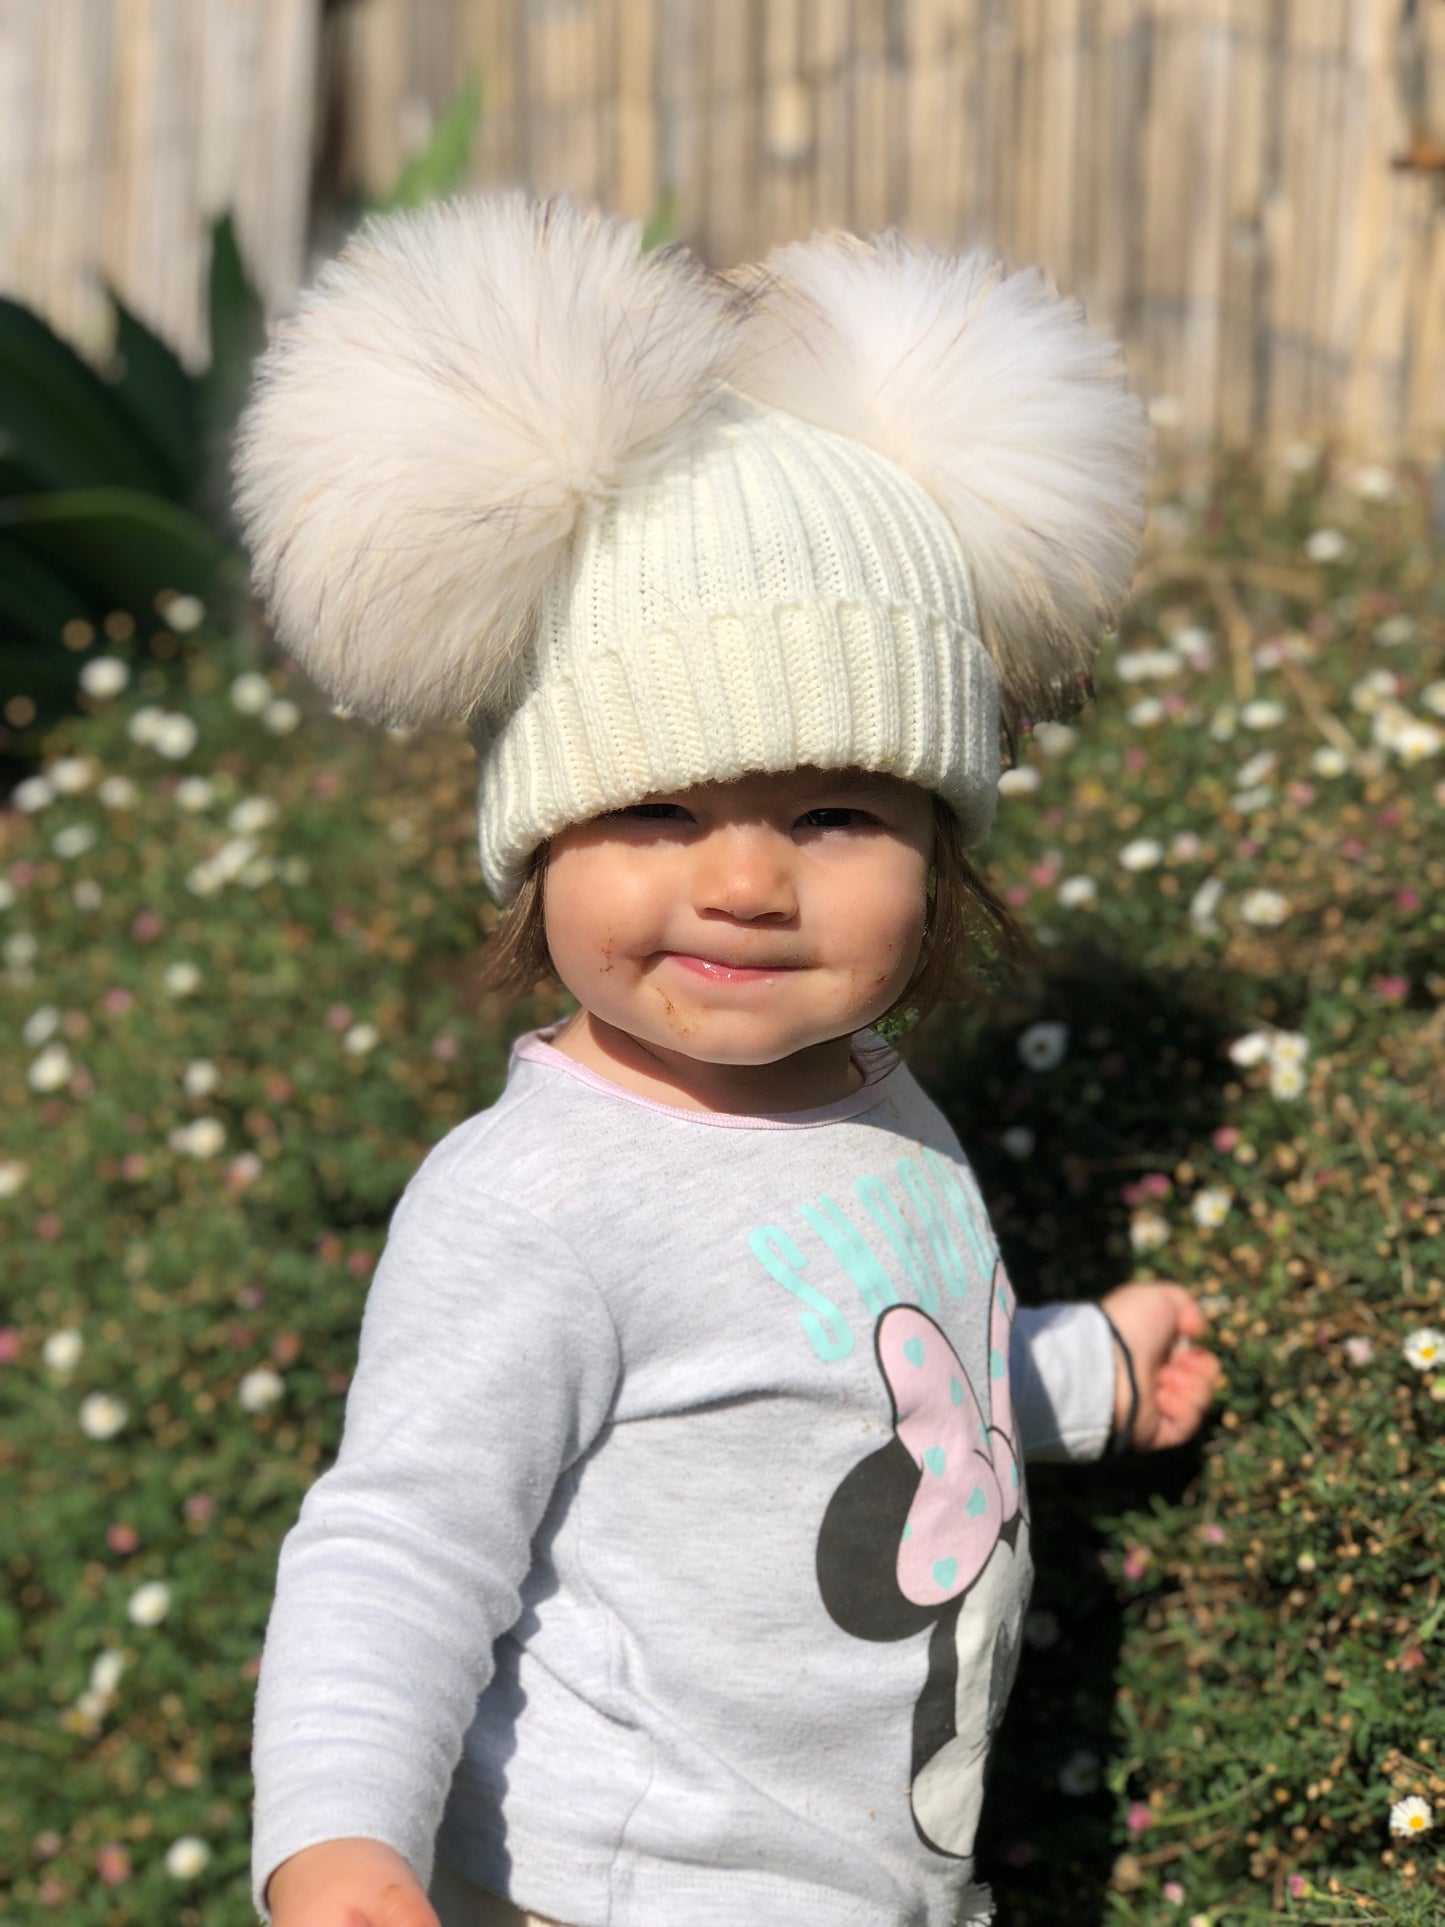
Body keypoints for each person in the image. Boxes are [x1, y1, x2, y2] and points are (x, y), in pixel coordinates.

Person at [234, 191, 1221, 1927]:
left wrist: (1074, 1376)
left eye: (835, 807)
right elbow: (400, 1542)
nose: (749, 879)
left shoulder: (873, 1108)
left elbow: (873, 1367)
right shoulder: (532, 1200)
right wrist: (339, 1843)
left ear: (943, 845)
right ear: (536, 843)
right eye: (659, 809)